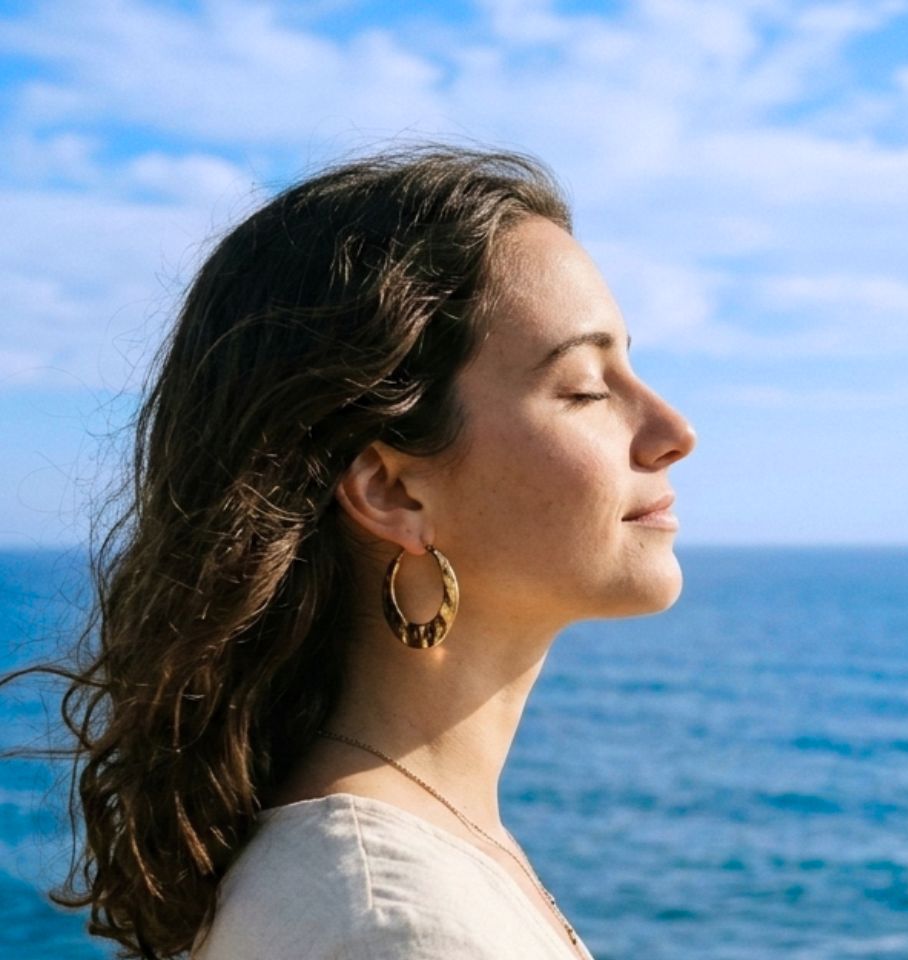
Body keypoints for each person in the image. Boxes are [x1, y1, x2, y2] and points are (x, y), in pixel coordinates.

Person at [30, 146, 696, 958]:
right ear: (391, 490)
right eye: (586, 388)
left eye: (632, 365)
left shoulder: (408, 857)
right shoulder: (397, 927)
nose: (673, 433)